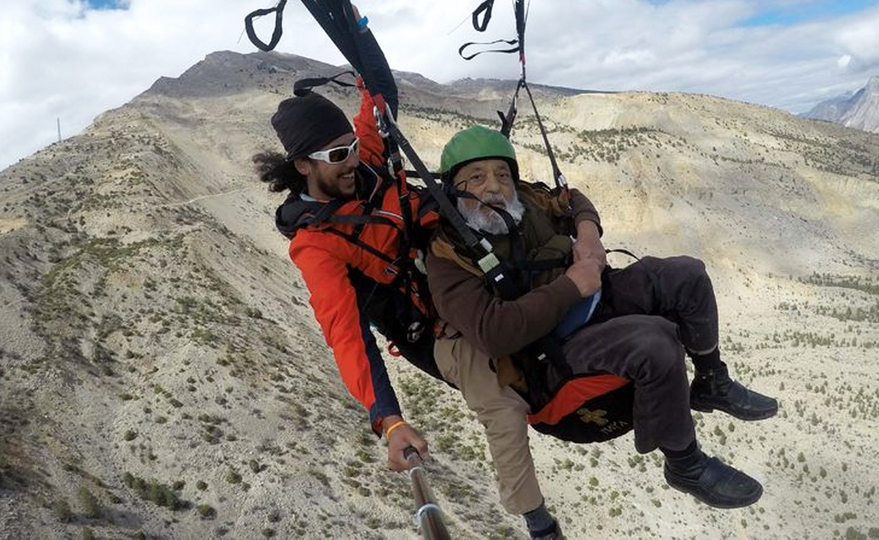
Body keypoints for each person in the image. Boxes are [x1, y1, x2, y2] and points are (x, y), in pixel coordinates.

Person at [425, 126, 779, 537]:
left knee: (687, 275)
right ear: (453, 190)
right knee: (655, 341)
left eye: (502, 174)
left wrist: (589, 234)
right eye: (476, 177)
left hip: (589, 300)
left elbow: (573, 199)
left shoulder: (527, 202)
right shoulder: (447, 257)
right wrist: (572, 285)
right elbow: (494, 332)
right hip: (548, 351)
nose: (493, 186)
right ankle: (685, 463)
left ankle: (711, 379)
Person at [253, 7, 436, 472]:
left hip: (451, 255)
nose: (353, 159)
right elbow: (346, 333)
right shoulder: (315, 244)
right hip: (431, 318)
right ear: (303, 165)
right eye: (339, 155)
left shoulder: (367, 161)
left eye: (352, 146)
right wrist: (389, 419)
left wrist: (354, 28)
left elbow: (381, 92)